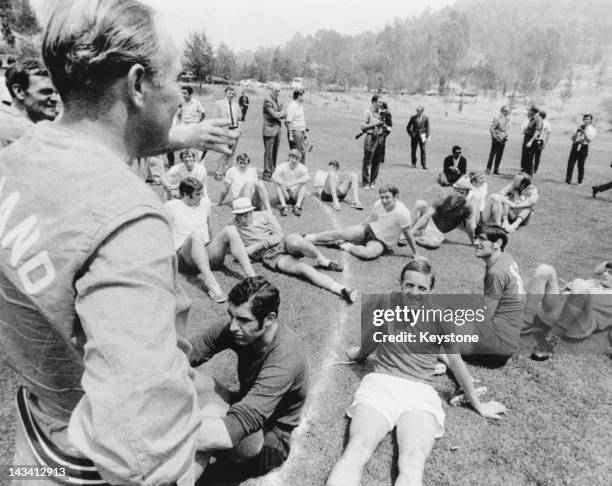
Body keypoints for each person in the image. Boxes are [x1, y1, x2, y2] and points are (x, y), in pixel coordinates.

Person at [0, 1, 239, 483]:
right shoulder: (128, 218)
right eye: (174, 79)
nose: (177, 96)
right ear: (136, 85)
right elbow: (144, 451)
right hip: (86, 465)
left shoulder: (18, 159)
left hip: (35, 435)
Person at [326, 259, 507, 486]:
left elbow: (456, 362)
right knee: (358, 445)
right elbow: (373, 336)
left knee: (413, 459)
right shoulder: (385, 304)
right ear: (400, 284)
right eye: (409, 286)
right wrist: (359, 354)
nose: (414, 292)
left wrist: (478, 404)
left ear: (431, 290)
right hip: (381, 384)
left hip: (420, 393)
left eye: (421, 288)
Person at [189, 276, 309, 477]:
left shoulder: (286, 356)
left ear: (269, 319)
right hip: (243, 404)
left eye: (244, 320)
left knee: (209, 428)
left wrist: (160, 437)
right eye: (231, 316)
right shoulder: (237, 328)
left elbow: (234, 428)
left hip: (269, 439)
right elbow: (187, 353)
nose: (233, 326)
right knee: (191, 377)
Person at [230, 198, 358, 303]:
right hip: (270, 255)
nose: (242, 219)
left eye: (245, 215)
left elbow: (278, 235)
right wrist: (248, 250)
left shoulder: (265, 215)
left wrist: (255, 247)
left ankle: (323, 261)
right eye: (239, 215)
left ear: (252, 211)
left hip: (283, 242)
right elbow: (236, 253)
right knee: (302, 268)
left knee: (298, 242)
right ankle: (342, 290)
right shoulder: (232, 226)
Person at [164, 177, 256, 303]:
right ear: (185, 194)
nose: (201, 196)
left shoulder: (205, 202)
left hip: (205, 250)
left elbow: (207, 225)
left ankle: (253, 277)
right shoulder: (171, 206)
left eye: (201, 193)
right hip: (185, 258)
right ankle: (212, 284)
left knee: (230, 230)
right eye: (197, 194)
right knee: (195, 235)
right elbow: (164, 233)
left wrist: (214, 244)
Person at [524, 260, 612, 360]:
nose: (605, 274)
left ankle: (551, 340)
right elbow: (598, 270)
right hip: (557, 312)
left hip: (579, 325)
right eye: (606, 270)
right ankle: (525, 323)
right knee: (544, 269)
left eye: (610, 273)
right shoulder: (594, 282)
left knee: (580, 283)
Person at [305, 184, 418, 260]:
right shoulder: (379, 203)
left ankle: (343, 245)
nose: (384, 201)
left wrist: (416, 253)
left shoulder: (403, 213)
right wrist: (358, 228)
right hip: (369, 229)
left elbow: (408, 234)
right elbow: (371, 218)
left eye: (387, 197)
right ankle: (308, 237)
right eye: (382, 197)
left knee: (368, 254)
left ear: (396, 196)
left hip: (381, 241)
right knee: (340, 233)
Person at [469, 224, 525, 362]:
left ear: (498, 243)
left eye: (482, 239)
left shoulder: (496, 272)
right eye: (476, 238)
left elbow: (485, 316)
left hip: (498, 347)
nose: (475, 243)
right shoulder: (505, 257)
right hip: (510, 337)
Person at [401, 177, 474, 250]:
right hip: (429, 222)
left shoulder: (467, 207)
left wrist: (473, 242)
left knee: (434, 244)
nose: (459, 195)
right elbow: (426, 216)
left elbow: (469, 226)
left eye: (462, 193)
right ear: (454, 190)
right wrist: (413, 230)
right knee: (420, 203)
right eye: (457, 191)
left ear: (466, 195)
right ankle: (408, 232)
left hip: (438, 232)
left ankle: (411, 238)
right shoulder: (443, 199)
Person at [0, 58, 59, 147]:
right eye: (46, 92)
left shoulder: (5, 117)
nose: (56, 99)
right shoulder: (25, 132)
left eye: (57, 92)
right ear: (19, 91)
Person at [213, 85, 241, 180]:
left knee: (231, 152)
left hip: (235, 130)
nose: (231, 95)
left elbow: (239, 118)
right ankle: (219, 172)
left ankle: (227, 172)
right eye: (229, 93)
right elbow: (215, 119)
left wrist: (239, 129)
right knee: (222, 151)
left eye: (233, 94)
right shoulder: (218, 103)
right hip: (224, 130)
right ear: (225, 93)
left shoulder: (236, 105)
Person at [271, 148, 310, 216]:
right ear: (289, 157)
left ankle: (297, 206)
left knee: (303, 184)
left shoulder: (302, 167)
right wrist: (283, 183)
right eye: (292, 158)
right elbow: (273, 176)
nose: (294, 160)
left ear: (299, 160)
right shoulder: (282, 166)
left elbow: (307, 177)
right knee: (277, 183)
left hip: (295, 194)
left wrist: (293, 183)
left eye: (296, 159)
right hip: (285, 193)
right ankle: (284, 206)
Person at [360, 95, 386, 189]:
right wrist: (375, 123)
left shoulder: (381, 113)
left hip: (380, 138)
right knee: (367, 161)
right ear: (374, 102)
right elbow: (362, 126)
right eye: (379, 102)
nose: (381, 104)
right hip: (370, 137)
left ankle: (372, 182)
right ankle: (365, 183)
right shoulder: (367, 112)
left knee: (377, 161)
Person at [262, 82, 285, 181]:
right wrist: (282, 113)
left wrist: (281, 113)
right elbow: (274, 115)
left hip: (277, 129)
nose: (278, 93)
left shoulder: (277, 100)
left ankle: (273, 170)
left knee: (275, 151)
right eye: (276, 91)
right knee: (269, 152)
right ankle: (267, 173)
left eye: (279, 91)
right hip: (269, 129)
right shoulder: (268, 100)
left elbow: (281, 114)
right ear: (272, 90)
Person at [566, 114, 596, 185]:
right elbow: (572, 138)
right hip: (575, 146)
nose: (586, 120)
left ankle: (580, 182)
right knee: (570, 164)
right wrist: (576, 132)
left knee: (581, 165)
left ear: (590, 120)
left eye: (588, 119)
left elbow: (589, 140)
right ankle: (568, 181)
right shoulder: (579, 127)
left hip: (584, 147)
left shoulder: (592, 129)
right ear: (583, 120)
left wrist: (584, 132)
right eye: (585, 119)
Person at [286, 88, 308, 164]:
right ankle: (291, 171)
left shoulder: (300, 106)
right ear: (298, 96)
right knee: (296, 154)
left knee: (302, 153)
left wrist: (305, 132)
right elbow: (289, 122)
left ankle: (302, 172)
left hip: (301, 132)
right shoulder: (292, 106)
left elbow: (301, 120)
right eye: (302, 96)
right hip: (296, 133)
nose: (303, 98)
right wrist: (291, 136)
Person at [486, 105, 510, 175]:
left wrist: (506, 136)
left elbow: (506, 129)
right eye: (505, 110)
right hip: (496, 139)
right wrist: (495, 137)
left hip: (503, 139)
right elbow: (491, 129)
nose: (507, 112)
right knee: (492, 154)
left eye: (508, 111)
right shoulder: (497, 118)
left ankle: (496, 169)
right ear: (501, 111)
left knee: (500, 155)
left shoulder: (507, 119)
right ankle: (488, 169)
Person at [519, 107, 541, 176]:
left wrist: (531, 141)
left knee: (529, 156)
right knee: (525, 156)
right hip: (527, 138)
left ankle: (529, 173)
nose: (529, 112)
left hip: (530, 139)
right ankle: (525, 172)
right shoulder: (532, 119)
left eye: (530, 111)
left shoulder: (538, 120)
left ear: (533, 112)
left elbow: (537, 131)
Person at [533, 110, 551, 175]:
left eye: (538, 115)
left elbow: (548, 134)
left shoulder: (547, 124)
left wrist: (545, 143)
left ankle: (535, 169)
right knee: (531, 154)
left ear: (540, 116)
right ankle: (530, 167)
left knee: (537, 156)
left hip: (540, 140)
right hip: (534, 139)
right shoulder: (536, 121)